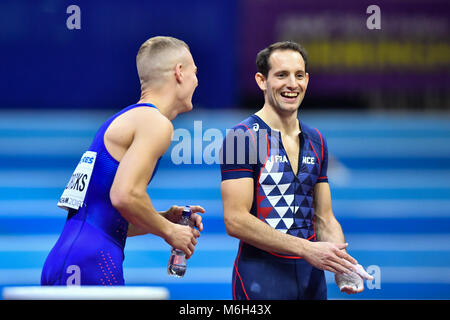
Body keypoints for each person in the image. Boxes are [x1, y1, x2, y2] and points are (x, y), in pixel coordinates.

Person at [41, 36, 205, 286]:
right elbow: (124, 195)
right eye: (195, 72)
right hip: (94, 263)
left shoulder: (123, 119)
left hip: (64, 259)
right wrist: (170, 232)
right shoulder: (156, 123)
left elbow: (104, 219)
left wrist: (162, 219)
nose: (197, 81)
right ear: (179, 72)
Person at [220, 41, 372, 300]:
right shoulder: (240, 138)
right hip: (260, 281)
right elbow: (235, 220)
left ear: (307, 80)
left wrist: (340, 263)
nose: (292, 84)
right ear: (261, 80)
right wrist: (306, 249)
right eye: (281, 75)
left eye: (298, 75)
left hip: (311, 282)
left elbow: (324, 219)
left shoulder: (317, 140)